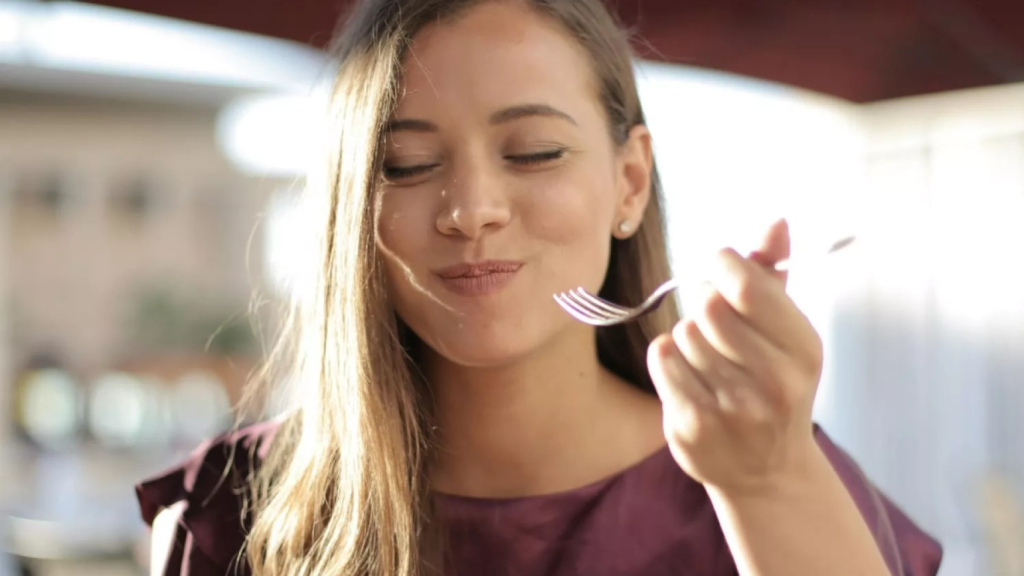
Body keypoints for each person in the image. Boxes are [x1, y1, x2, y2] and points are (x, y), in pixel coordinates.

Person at [136, 0, 943, 574]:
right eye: (407, 165)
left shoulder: (764, 468)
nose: (471, 210)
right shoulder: (236, 509)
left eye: (533, 153)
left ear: (630, 183)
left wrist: (769, 485)